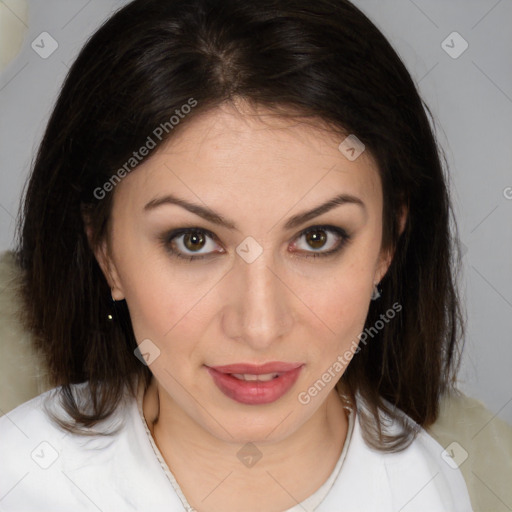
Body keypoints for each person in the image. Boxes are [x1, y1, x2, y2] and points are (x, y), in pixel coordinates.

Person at [0, 0, 474, 510]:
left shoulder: (426, 489)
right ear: (106, 251)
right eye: (194, 240)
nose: (260, 326)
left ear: (388, 244)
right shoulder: (21, 479)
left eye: (318, 238)